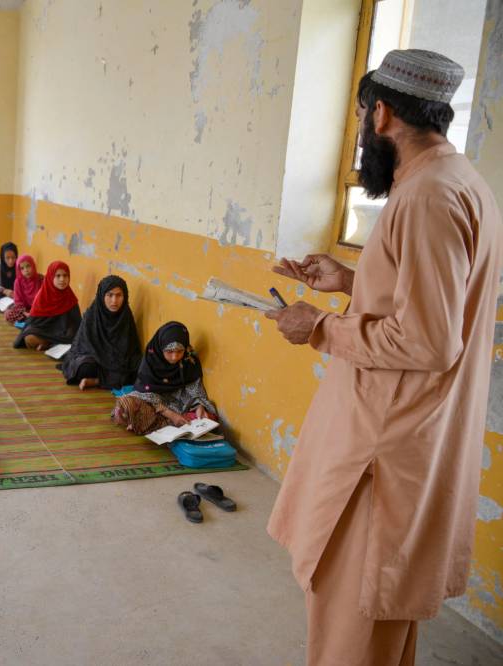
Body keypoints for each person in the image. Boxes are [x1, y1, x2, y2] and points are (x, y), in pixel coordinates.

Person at [264, 50, 503, 665]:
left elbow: (427, 340)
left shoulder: (426, 197)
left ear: (382, 114)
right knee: (380, 625)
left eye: (364, 113)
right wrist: (351, 281)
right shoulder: (459, 182)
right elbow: (429, 301)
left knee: (354, 622)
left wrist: (316, 327)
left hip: (383, 453)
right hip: (408, 439)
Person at [111, 322, 216, 435]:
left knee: (207, 416)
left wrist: (199, 406)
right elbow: (145, 392)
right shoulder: (151, 359)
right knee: (128, 404)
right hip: (153, 402)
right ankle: (160, 422)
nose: (175, 357)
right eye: (169, 352)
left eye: (180, 351)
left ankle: (146, 424)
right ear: (160, 348)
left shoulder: (189, 359)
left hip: (179, 403)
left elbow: (195, 389)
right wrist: (170, 414)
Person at [62, 275, 142, 390]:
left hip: (117, 360)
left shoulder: (126, 316)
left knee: (140, 367)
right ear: (102, 295)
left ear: (125, 296)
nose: (114, 301)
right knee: (84, 368)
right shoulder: (92, 315)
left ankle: (96, 381)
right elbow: (82, 346)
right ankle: (107, 379)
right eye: (110, 295)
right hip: (95, 360)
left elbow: (131, 350)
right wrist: (102, 358)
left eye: (119, 295)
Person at [13, 260, 81, 351]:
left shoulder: (70, 298)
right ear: (51, 277)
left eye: (65, 275)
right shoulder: (42, 296)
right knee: (29, 338)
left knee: (75, 337)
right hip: (45, 332)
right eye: (58, 276)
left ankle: (49, 345)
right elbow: (33, 322)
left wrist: (68, 332)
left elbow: (76, 323)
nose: (62, 279)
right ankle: (49, 344)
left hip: (63, 334)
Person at [5, 254, 44, 324]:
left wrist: (35, 311)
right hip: (24, 309)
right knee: (8, 315)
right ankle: (32, 319)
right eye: (22, 268)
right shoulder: (18, 282)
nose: (26, 270)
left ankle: (32, 319)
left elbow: (44, 299)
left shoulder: (41, 279)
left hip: (39, 309)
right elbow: (18, 301)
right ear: (19, 270)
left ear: (33, 265)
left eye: (28, 266)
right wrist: (25, 313)